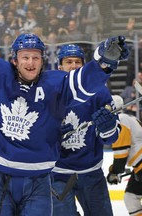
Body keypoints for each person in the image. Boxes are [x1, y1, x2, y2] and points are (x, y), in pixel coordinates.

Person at [0, 2, 129, 215]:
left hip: (39, 177)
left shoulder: (55, 84)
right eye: (25, 57)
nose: (30, 62)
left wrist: (104, 62)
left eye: (35, 57)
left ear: (43, 61)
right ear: (15, 60)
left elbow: (84, 82)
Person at [52, 44, 117, 216]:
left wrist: (108, 128)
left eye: (77, 62)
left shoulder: (100, 91)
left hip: (91, 173)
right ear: (59, 66)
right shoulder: (48, 91)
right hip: (58, 174)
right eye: (68, 62)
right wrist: (51, 134)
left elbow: (111, 139)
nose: (73, 66)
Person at [107, 95, 142, 215]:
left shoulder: (120, 120)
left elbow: (122, 151)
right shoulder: (126, 117)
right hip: (141, 164)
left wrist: (115, 171)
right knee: (131, 198)